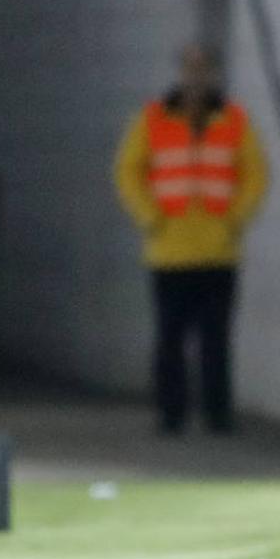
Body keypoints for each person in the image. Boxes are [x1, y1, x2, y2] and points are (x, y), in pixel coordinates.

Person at [114, 44, 268, 436]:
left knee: (216, 343)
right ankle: (171, 415)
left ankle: (217, 416)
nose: (197, 78)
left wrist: (235, 219)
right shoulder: (154, 119)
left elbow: (255, 173)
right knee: (170, 342)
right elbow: (128, 172)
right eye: (191, 69)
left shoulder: (233, 120)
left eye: (204, 69)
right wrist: (151, 218)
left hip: (219, 250)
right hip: (170, 250)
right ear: (181, 72)